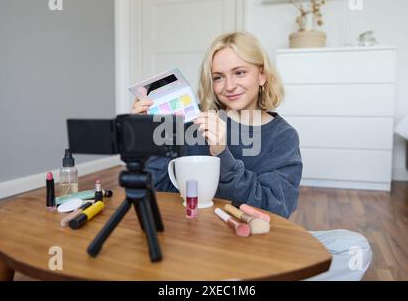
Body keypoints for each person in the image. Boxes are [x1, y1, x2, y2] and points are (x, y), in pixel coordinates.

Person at [131, 31, 372, 281]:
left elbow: (275, 209)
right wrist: (145, 137)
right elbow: (159, 191)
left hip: (255, 241)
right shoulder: (195, 123)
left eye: (239, 72)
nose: (229, 86)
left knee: (353, 247)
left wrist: (222, 153)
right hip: (198, 240)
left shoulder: (283, 136)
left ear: (262, 75)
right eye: (218, 77)